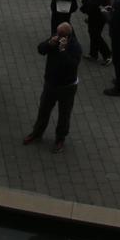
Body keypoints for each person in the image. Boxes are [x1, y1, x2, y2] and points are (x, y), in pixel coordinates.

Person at [22, 22, 82, 152]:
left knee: (64, 114)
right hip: (51, 84)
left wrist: (63, 50)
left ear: (67, 36)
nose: (57, 36)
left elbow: (72, 65)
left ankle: (60, 139)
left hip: (67, 87)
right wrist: (50, 44)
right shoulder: (55, 38)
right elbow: (40, 49)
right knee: (44, 110)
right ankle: (37, 133)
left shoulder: (75, 47)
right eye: (57, 33)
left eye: (60, 35)